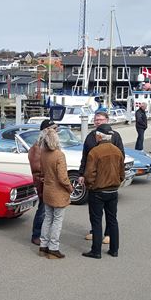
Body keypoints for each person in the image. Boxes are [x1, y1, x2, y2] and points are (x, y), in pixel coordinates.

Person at [78, 109, 124, 245]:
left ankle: (108, 234)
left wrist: (118, 178)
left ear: (107, 121)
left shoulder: (115, 136)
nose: (97, 122)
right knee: (95, 213)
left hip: (109, 178)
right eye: (96, 120)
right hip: (95, 178)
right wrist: (81, 174)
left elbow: (121, 158)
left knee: (110, 213)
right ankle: (95, 232)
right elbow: (85, 156)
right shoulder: (90, 136)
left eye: (100, 120)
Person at [38, 127, 74, 259]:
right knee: (57, 220)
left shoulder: (43, 153)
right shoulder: (59, 155)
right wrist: (70, 188)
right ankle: (53, 247)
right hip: (58, 191)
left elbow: (42, 172)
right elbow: (63, 178)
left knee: (48, 218)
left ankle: (43, 245)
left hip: (48, 189)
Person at [28, 119, 56, 245]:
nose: (56, 131)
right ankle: (36, 234)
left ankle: (44, 234)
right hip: (42, 182)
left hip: (48, 181)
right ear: (45, 131)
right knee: (43, 209)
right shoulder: (37, 147)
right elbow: (37, 168)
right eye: (53, 129)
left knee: (48, 210)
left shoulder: (48, 145)